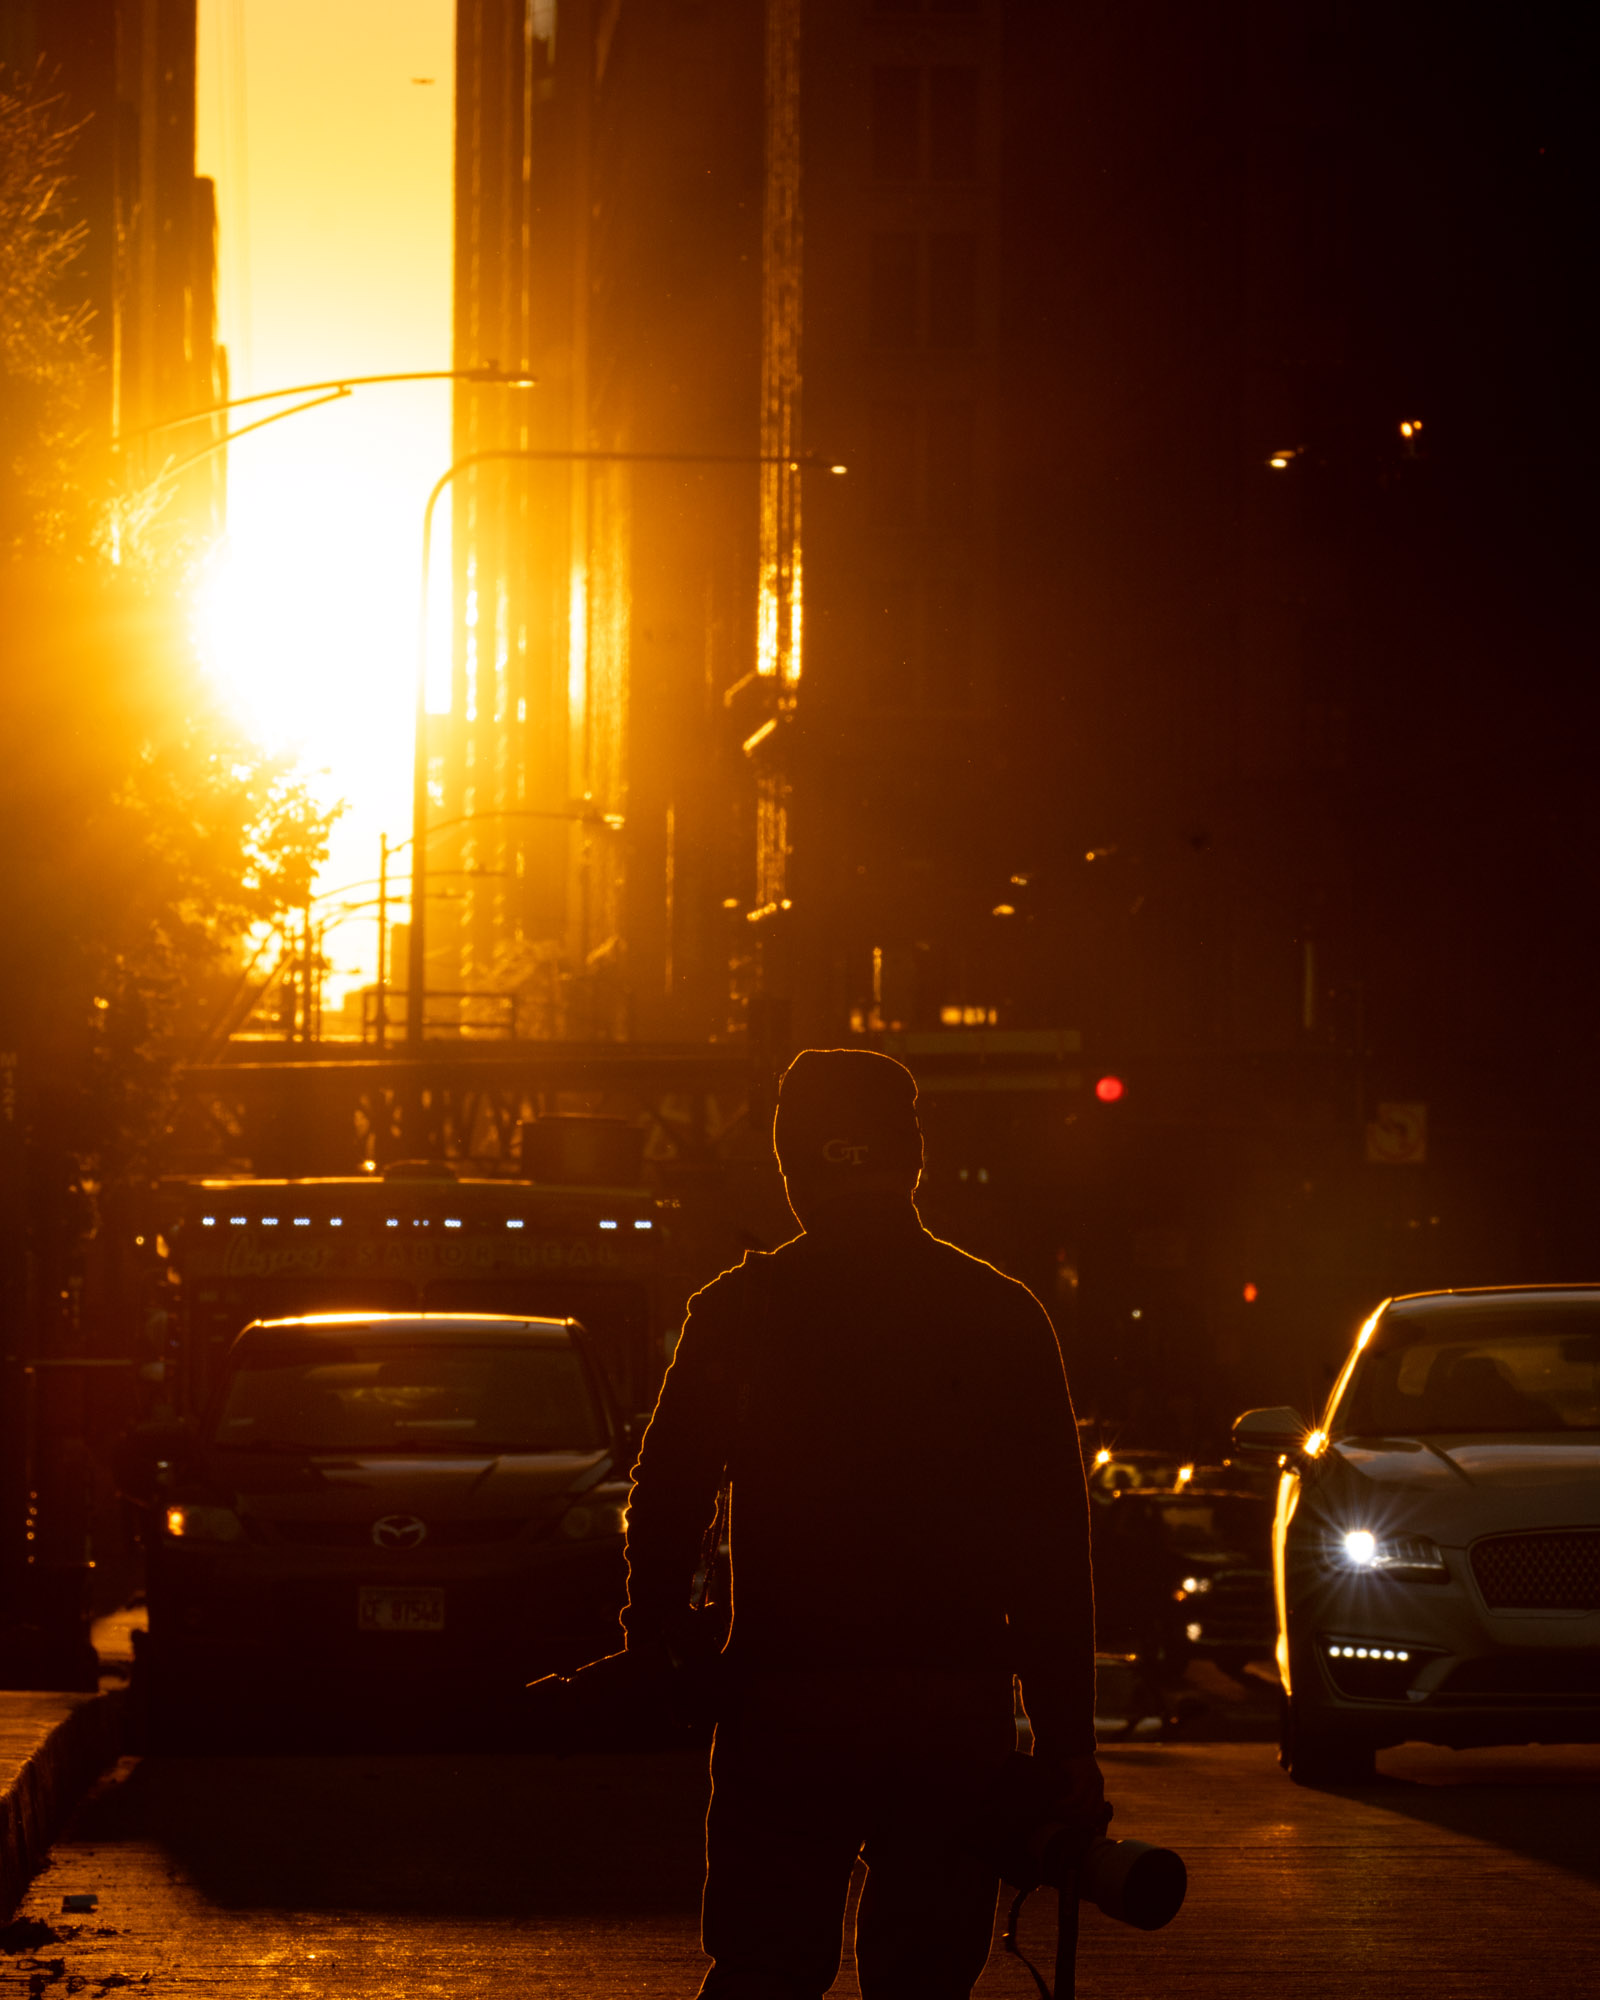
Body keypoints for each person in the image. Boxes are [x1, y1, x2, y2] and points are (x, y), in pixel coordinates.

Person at [621, 1046, 1101, 2000]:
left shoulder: (739, 1310)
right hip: (950, 1714)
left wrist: (660, 1647)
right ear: (912, 1161)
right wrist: (1066, 1746)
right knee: (924, 1976)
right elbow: (1053, 1552)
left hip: (784, 1707)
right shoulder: (1002, 1316)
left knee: (762, 1967)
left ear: (791, 1167)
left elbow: (665, 1497)